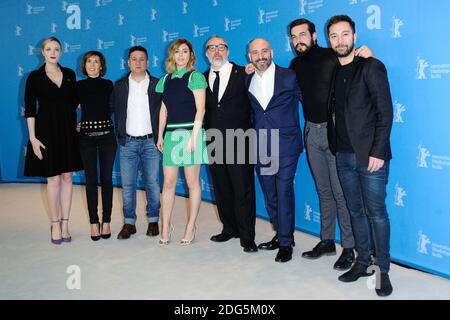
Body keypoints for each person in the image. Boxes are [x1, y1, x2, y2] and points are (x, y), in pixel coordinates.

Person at [288, 18, 375, 269]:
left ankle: (349, 247)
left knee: (341, 193)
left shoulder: (333, 56)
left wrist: (368, 55)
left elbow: (360, 70)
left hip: (335, 132)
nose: (298, 40)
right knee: (324, 191)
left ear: (315, 36)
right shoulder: (295, 64)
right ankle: (327, 240)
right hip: (311, 133)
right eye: (294, 37)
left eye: (302, 34)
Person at [326, 15, 393, 297]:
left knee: (376, 213)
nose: (340, 40)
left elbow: (385, 112)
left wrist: (378, 151)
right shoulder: (333, 70)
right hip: (342, 154)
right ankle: (363, 260)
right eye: (334, 36)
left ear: (354, 36)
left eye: (345, 34)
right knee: (355, 211)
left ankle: (383, 271)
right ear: (329, 40)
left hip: (370, 157)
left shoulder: (371, 66)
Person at [246, 38, 302, 262]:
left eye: (264, 51)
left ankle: (286, 242)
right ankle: (281, 233)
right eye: (255, 53)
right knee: (270, 193)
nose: (260, 56)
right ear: (250, 56)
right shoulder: (246, 78)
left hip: (287, 143)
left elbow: (311, 98)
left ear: (272, 52)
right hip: (261, 144)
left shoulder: (289, 76)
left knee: (284, 191)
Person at [24, 36, 82, 244]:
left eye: (57, 48)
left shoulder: (69, 74)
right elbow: (30, 110)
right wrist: (32, 138)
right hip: (46, 132)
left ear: (61, 51)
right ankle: (55, 223)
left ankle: (66, 223)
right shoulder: (35, 77)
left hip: (67, 132)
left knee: (67, 177)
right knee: (53, 179)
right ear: (42, 52)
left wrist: (79, 122)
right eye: (49, 49)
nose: (53, 52)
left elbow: (75, 102)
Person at [203, 36, 257, 253]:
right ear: (206, 53)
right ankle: (229, 228)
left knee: (243, 189)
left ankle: (247, 236)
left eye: (221, 47)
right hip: (213, 140)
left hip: (240, 140)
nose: (217, 51)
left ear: (228, 50)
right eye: (212, 48)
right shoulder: (201, 78)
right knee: (222, 187)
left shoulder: (245, 72)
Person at [155, 38, 208, 245]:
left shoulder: (195, 77)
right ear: (172, 55)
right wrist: (160, 135)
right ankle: (166, 225)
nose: (181, 55)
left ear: (190, 55)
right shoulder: (165, 80)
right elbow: (163, 110)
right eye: (177, 51)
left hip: (191, 134)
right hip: (170, 135)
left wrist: (193, 138)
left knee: (192, 182)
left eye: (185, 51)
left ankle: (190, 225)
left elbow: (200, 109)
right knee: (168, 183)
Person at [110, 46, 161, 240]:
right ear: (128, 62)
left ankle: (154, 220)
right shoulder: (120, 86)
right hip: (128, 143)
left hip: (151, 143)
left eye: (142, 59)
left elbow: (165, 111)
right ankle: (129, 223)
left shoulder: (158, 84)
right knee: (128, 185)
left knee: (153, 183)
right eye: (134, 59)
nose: (138, 62)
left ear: (148, 62)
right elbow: (110, 109)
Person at [76, 51, 116, 241]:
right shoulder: (78, 86)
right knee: (91, 180)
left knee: (107, 179)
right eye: (89, 62)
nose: (92, 65)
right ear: (84, 66)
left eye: (96, 62)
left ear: (102, 66)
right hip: (86, 139)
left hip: (107, 137)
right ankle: (94, 222)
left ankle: (106, 220)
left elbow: (116, 108)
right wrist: (73, 125)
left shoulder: (109, 85)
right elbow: (67, 109)